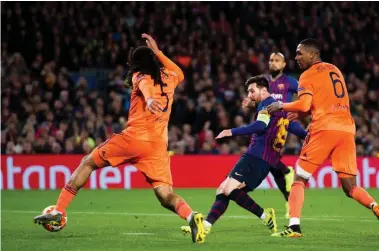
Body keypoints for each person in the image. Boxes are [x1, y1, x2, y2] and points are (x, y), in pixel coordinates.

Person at [33, 34, 207, 244]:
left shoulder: (139, 76)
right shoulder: (171, 76)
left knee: (87, 162)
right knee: (165, 196)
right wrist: (159, 52)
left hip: (134, 139)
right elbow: (180, 72)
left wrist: (150, 99)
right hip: (158, 147)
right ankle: (191, 216)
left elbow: (145, 87)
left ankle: (59, 210)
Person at [267, 38, 379, 237]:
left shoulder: (307, 75)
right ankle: (374, 206)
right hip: (346, 129)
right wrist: (302, 114)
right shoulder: (334, 69)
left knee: (299, 179)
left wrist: (281, 106)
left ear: (313, 54)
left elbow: (303, 104)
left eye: (300, 53)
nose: (296, 57)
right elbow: (324, 100)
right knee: (350, 187)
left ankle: (293, 227)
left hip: (324, 128)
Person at [182, 75, 306, 236]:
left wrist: (231, 131)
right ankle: (206, 226)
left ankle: (263, 215)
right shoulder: (281, 109)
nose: (249, 95)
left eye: (251, 91)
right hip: (265, 160)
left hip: (255, 156)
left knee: (227, 189)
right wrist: (308, 135)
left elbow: (261, 125)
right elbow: (295, 129)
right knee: (223, 190)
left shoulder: (266, 105)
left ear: (263, 90)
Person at [242, 52, 307, 218]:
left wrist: (298, 111)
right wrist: (249, 104)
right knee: (271, 163)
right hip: (265, 124)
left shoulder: (290, 82)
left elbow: (305, 98)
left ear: (284, 64)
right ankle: (288, 196)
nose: (273, 63)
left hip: (283, 123)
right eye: (271, 60)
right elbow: (255, 100)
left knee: (306, 136)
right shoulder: (262, 82)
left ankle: (287, 172)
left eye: (277, 60)